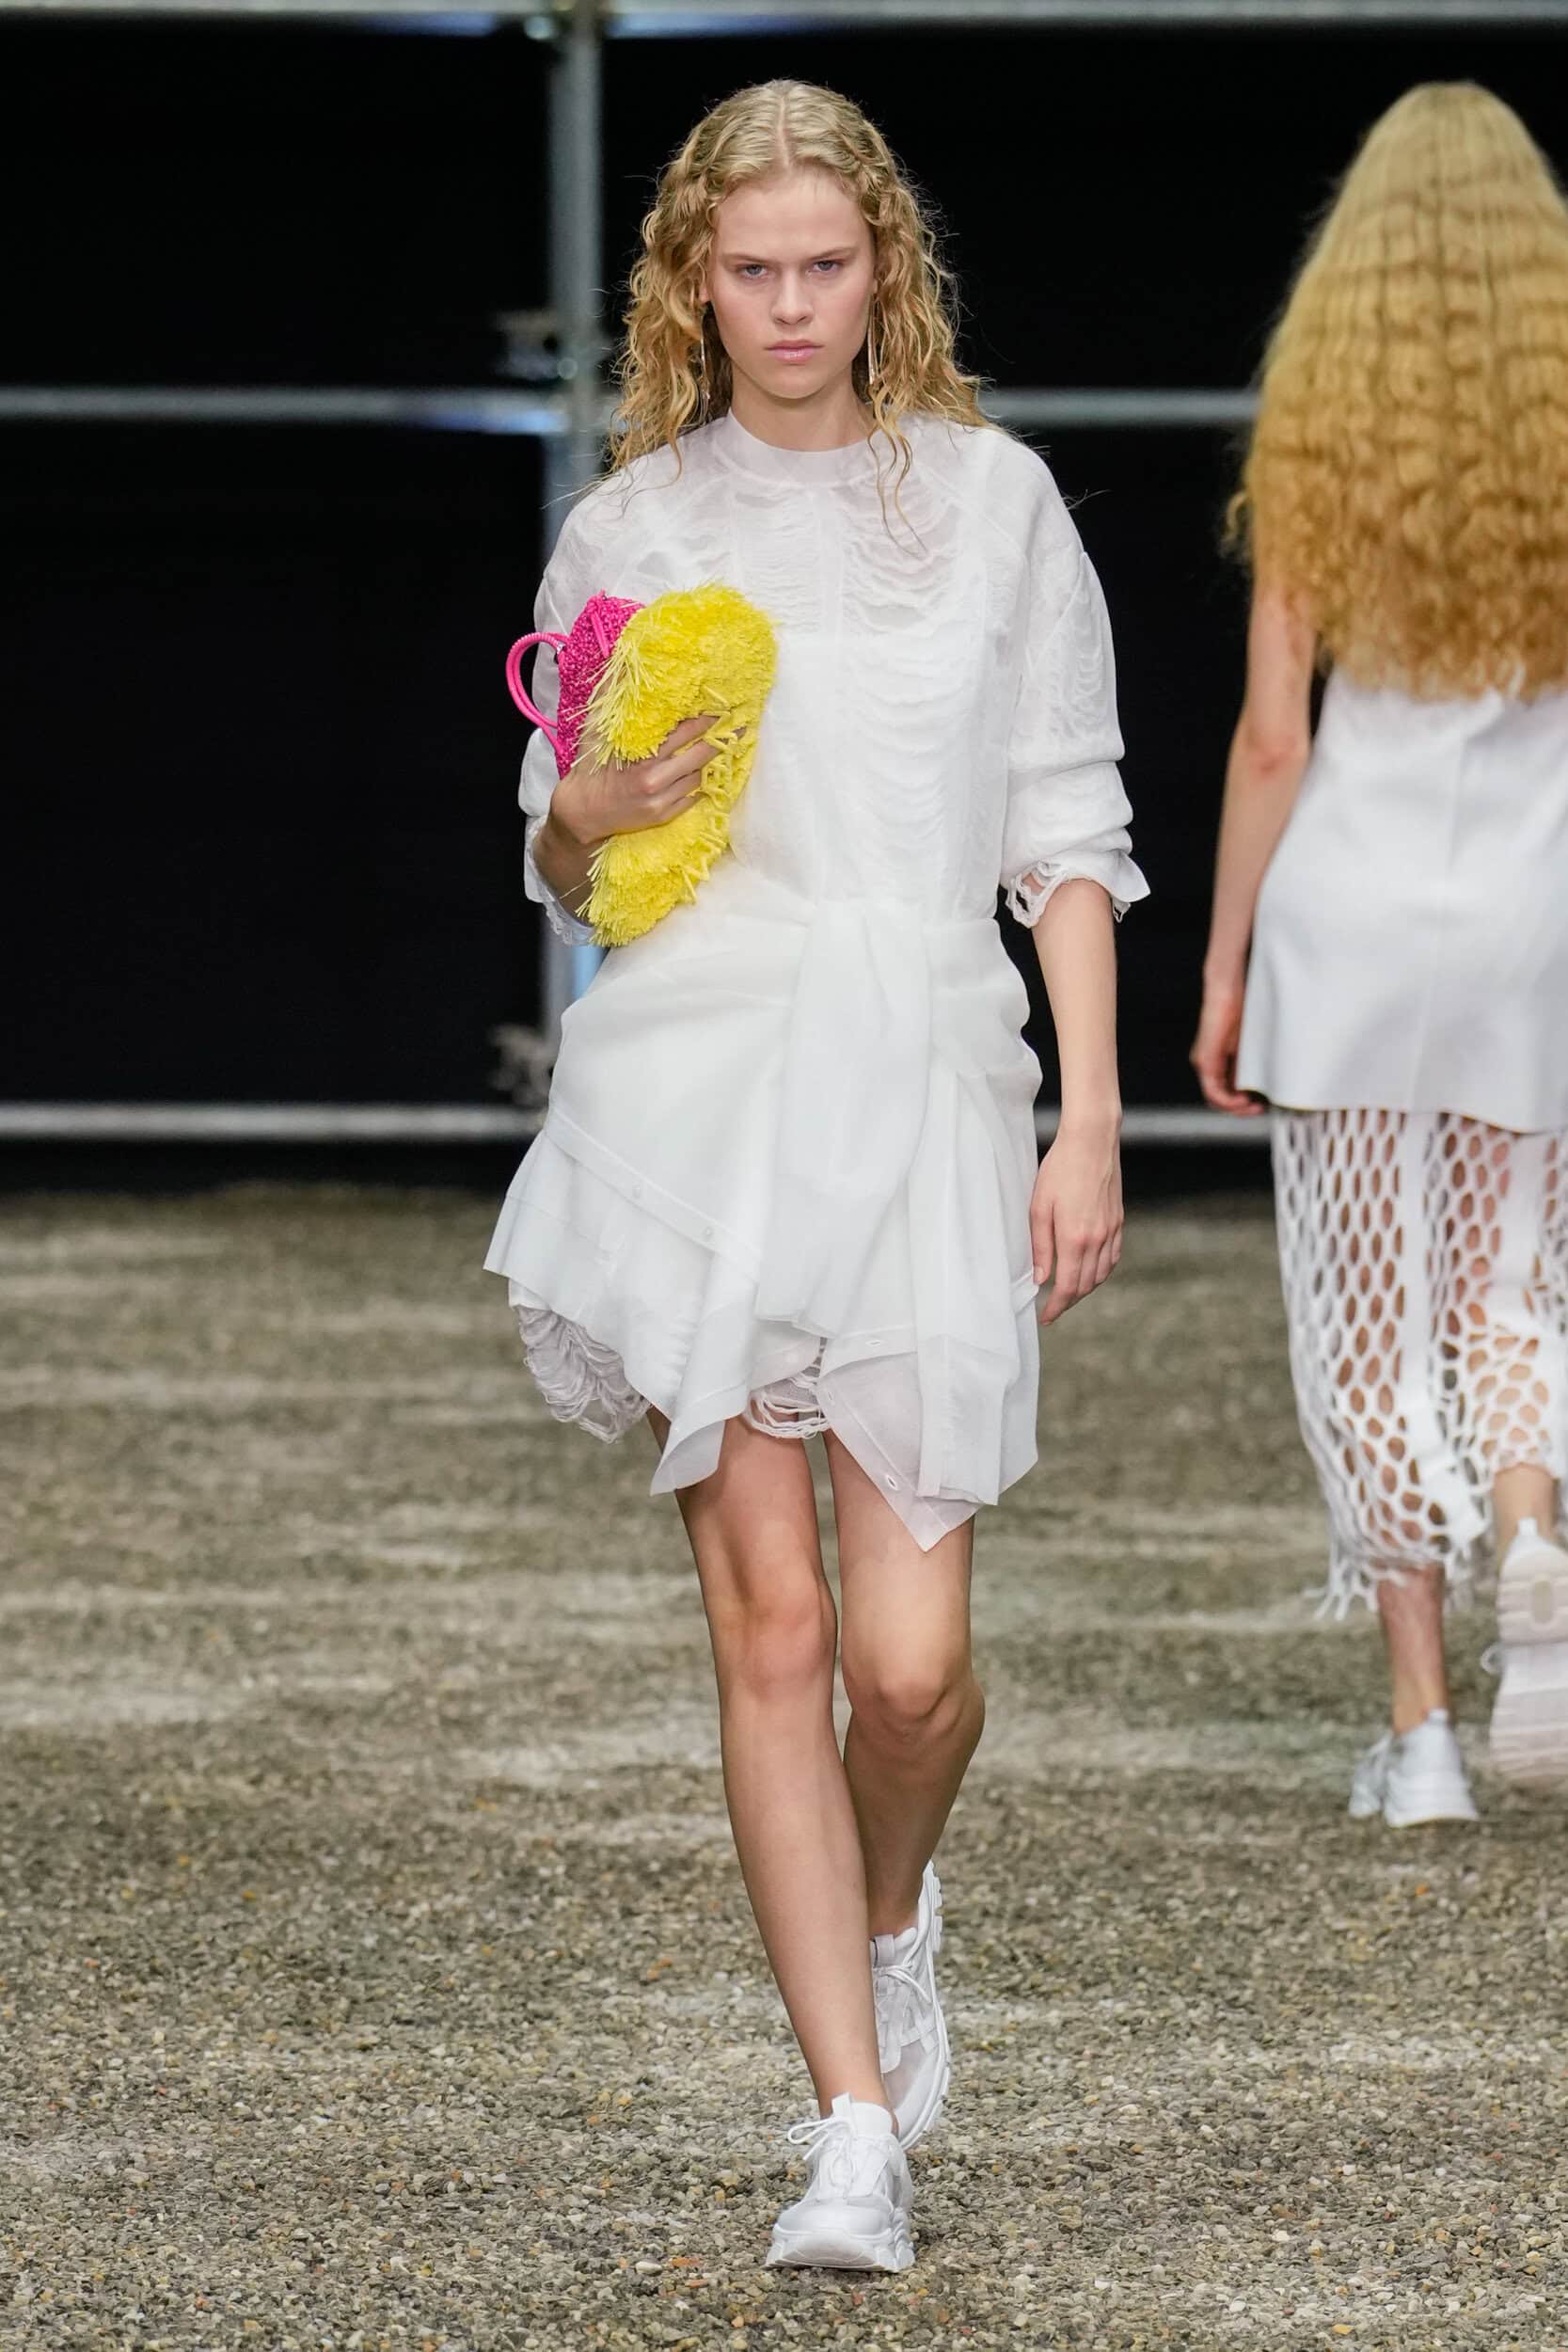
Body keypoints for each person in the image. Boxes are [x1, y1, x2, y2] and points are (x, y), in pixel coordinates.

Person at [485, 81, 1146, 2270]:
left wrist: (1088, 1115)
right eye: (750, 270)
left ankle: (887, 1909)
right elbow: (573, 863)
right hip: (708, 1087)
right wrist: (587, 809)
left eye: (825, 267)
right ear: (693, 280)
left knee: (916, 1669)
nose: (788, 306)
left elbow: (1065, 825)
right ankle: (851, 2120)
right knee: (774, 1625)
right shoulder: (629, 531)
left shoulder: (990, 502)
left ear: (887, 270)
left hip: (930, 1081)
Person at [1193, 83, 1568, 1826]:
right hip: (1531, 925)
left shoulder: (1322, 437)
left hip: (1348, 920)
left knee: (1365, 1318)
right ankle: (1533, 1535)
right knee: (1509, 1292)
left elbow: (1276, 737)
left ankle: (1422, 1739)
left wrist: (1222, 966)